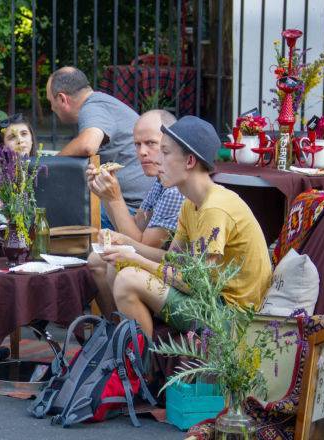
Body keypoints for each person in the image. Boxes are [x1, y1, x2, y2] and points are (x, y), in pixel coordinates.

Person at [102, 116, 272, 338]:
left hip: (231, 317)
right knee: (118, 268)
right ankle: (124, 352)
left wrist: (136, 260)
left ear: (190, 161)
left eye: (165, 152)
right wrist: (127, 245)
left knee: (128, 279)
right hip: (210, 300)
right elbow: (173, 259)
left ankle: (138, 368)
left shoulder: (214, 208)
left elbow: (197, 285)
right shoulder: (191, 203)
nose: (157, 160)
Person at [86, 110, 184, 317]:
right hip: (161, 265)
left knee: (115, 263)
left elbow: (143, 245)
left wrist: (115, 198)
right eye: (138, 144)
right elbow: (135, 228)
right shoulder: (159, 182)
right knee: (96, 260)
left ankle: (129, 333)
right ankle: (115, 328)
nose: (142, 152)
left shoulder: (175, 189)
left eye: (151, 143)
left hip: (176, 277)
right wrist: (104, 194)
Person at [46, 66, 155, 229]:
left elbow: (87, 144)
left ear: (62, 99)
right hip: (132, 205)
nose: (51, 108)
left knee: (51, 215)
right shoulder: (100, 103)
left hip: (134, 211)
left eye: (51, 102)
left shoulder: (92, 107)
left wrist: (48, 166)